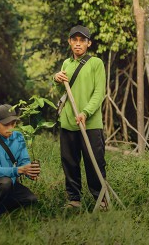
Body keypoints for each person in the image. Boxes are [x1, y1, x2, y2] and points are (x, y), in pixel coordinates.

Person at [53, 25, 107, 209]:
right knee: (70, 162)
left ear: (88, 43)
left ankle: (101, 199)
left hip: (90, 123)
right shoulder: (66, 64)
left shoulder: (96, 63)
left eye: (81, 40)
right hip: (68, 122)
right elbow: (62, 91)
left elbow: (99, 93)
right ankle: (74, 199)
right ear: (69, 42)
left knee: (95, 162)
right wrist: (57, 79)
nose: (77, 44)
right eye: (74, 40)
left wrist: (85, 112)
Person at [0, 104, 40, 223]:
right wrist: (19, 170)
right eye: (6, 124)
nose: (10, 128)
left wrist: (30, 172)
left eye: (13, 123)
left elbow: (24, 161)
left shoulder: (18, 137)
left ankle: (2, 204)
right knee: (5, 182)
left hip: (10, 182)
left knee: (31, 199)